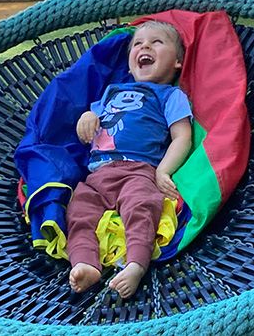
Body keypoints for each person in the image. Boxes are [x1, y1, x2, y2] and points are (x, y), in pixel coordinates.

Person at [66, 21, 193, 299]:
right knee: (77, 212)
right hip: (97, 175)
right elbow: (91, 122)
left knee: (142, 207)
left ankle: (136, 264)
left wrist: (163, 172)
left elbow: (183, 136)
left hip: (139, 170)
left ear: (178, 63)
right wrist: (87, 118)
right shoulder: (113, 91)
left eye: (157, 42)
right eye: (138, 43)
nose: (145, 46)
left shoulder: (170, 95)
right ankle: (85, 263)